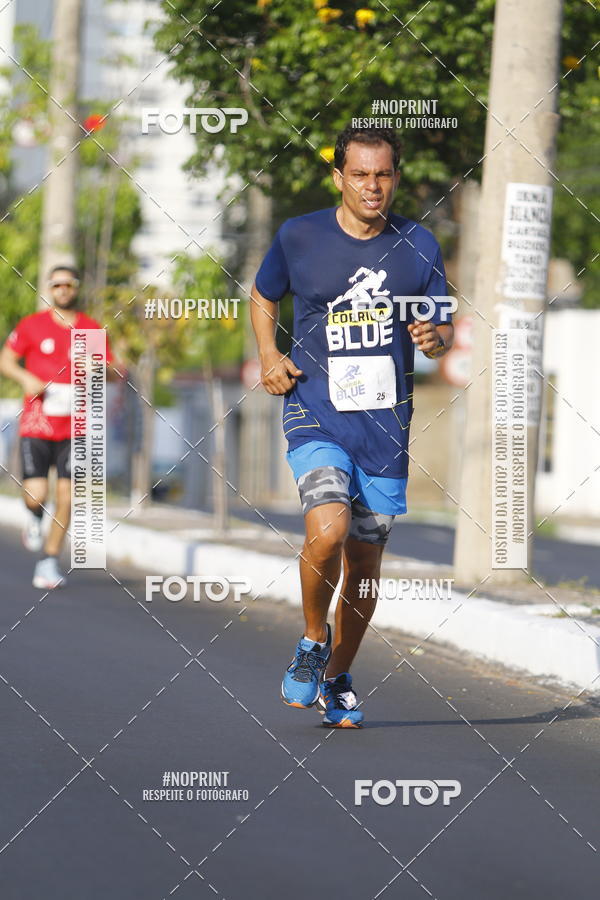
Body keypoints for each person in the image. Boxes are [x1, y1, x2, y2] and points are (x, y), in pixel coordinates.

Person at [250, 125, 454, 727]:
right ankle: (314, 639)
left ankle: (338, 676)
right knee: (328, 530)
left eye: (383, 174)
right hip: (315, 409)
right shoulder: (300, 235)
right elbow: (263, 297)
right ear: (339, 177)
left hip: (386, 428)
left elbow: (443, 330)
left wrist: (432, 338)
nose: (372, 186)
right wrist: (268, 356)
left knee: (365, 565)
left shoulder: (419, 245)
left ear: (396, 178)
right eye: (359, 174)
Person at [0, 265, 115, 589]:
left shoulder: (91, 329)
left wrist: (99, 368)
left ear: (77, 288)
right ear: (50, 288)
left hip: (76, 428)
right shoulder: (32, 326)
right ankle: (34, 516)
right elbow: (5, 360)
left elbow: (110, 371)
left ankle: (48, 563)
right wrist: (26, 379)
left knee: (67, 497)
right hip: (38, 423)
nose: (63, 289)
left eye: (69, 284)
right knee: (37, 495)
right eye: (57, 284)